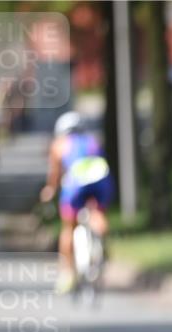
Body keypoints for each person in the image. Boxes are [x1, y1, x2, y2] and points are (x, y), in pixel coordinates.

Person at [40, 111, 114, 294]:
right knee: (97, 214)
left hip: (75, 183)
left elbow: (55, 175)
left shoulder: (59, 144)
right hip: (100, 178)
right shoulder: (92, 140)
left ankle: (67, 274)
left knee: (69, 227)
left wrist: (50, 190)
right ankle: (103, 243)